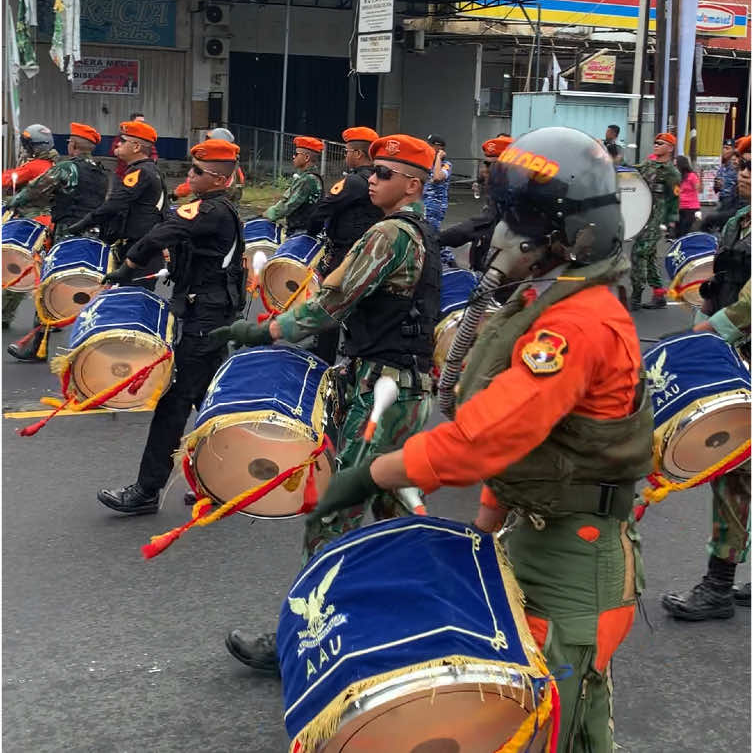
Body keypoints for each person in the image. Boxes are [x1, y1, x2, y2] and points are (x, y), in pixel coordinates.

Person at [308, 127, 653, 753]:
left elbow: (489, 434)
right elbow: (530, 434)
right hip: (537, 530)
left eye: (520, 216)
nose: (502, 231)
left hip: (577, 555)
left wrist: (374, 473)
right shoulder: (545, 303)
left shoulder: (580, 323)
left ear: (574, 232)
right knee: (521, 716)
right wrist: (491, 520)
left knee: (563, 724)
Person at [214, 134, 442, 675]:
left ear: (412, 183)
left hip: (381, 390)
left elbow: (332, 301)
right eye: (374, 171)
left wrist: (265, 330)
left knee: (335, 514)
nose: (372, 180)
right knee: (395, 511)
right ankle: (427, 623)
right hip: (402, 389)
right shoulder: (420, 232)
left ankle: (303, 636)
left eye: (383, 173)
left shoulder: (388, 234)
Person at [96, 138, 246, 515]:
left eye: (196, 170)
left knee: (174, 402)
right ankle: (221, 481)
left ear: (217, 178)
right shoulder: (209, 209)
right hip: (207, 313)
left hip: (205, 318)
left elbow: (161, 234)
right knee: (208, 401)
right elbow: (169, 227)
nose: (189, 174)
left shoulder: (212, 211)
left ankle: (147, 490)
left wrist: (125, 269)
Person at [662, 136, 751, 620]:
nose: (744, 173)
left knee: (734, 470)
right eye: (744, 165)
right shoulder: (740, 219)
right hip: (732, 355)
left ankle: (718, 586)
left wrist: (707, 333)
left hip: (740, 353)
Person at [6, 123, 109, 361]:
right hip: (93, 238)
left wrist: (13, 202)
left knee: (49, 288)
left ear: (73, 145)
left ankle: (36, 347)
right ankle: (91, 352)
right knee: (86, 292)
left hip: (67, 235)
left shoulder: (67, 168)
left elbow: (35, 189)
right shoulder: (101, 172)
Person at [306, 126, 383, 363]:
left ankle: (324, 359)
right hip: (371, 253)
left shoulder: (354, 182)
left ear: (358, 154)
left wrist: (311, 231)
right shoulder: (381, 180)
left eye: (348, 151)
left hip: (345, 253)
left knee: (331, 303)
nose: (346, 156)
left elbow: (323, 209)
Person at [68, 119, 167, 277]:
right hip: (141, 247)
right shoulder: (149, 169)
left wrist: (82, 224)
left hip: (138, 249)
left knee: (128, 297)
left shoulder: (140, 172)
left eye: (123, 141)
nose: (117, 144)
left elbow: (115, 204)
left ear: (136, 147)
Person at [2, 124, 58, 331]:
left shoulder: (35, 166)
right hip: (49, 224)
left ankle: (4, 315)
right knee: (43, 271)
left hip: (30, 224)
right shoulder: (54, 164)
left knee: (17, 269)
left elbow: (6, 179)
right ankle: (51, 314)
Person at [440, 136, 512, 273]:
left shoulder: (514, 195)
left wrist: (438, 238)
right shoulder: (497, 192)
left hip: (504, 276)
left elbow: (482, 224)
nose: (485, 170)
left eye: (492, 165)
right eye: (486, 164)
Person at [629, 132, 680, 310]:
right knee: (649, 256)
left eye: (661, 143)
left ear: (670, 148)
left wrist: (671, 223)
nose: (656, 145)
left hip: (657, 220)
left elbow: (674, 199)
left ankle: (635, 296)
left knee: (638, 253)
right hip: (643, 216)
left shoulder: (672, 172)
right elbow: (631, 171)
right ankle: (659, 294)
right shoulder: (648, 164)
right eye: (655, 142)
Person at [263, 136, 323, 235]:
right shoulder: (303, 177)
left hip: (302, 231)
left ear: (306, 157)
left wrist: (269, 214)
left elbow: (290, 205)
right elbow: (286, 199)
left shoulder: (308, 179)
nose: (293, 157)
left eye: (296, 154)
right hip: (299, 228)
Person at [172, 128, 245, 204]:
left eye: (209, 140)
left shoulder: (211, 162)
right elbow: (240, 180)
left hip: (212, 203)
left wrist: (175, 194)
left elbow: (192, 183)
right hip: (230, 203)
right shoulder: (232, 161)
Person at [109, 113, 159, 183]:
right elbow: (113, 151)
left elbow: (153, 153)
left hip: (139, 174)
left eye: (143, 122)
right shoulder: (122, 136)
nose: (142, 124)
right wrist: (120, 151)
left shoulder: (145, 138)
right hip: (122, 173)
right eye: (139, 122)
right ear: (132, 122)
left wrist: (152, 161)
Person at [423, 134, 452, 231]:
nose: (428, 148)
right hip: (422, 204)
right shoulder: (427, 163)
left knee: (432, 233)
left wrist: (439, 158)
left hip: (435, 205)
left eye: (431, 146)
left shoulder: (446, 165)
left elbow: (437, 177)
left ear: (440, 148)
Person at [676, 154, 701, 236]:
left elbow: (699, 189)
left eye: (676, 165)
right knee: (678, 232)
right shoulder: (678, 177)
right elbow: (676, 192)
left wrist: (700, 179)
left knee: (685, 231)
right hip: (680, 207)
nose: (675, 167)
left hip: (691, 208)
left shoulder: (692, 176)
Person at [714, 138, 738, 208]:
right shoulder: (721, 168)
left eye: (727, 148)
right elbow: (716, 190)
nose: (724, 151)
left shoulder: (736, 167)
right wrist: (717, 185)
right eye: (723, 148)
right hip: (721, 201)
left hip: (732, 202)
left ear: (733, 151)